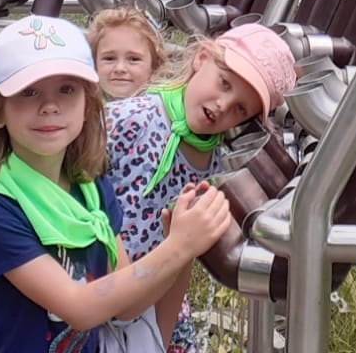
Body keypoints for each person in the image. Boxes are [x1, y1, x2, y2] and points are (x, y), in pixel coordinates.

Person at [0, 14, 231, 353]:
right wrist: (178, 246)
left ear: (88, 103)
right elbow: (80, 308)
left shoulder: (91, 189)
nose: (50, 106)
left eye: (67, 89)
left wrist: (181, 250)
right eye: (28, 91)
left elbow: (125, 308)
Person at [104, 24, 297, 352]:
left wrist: (159, 341)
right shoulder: (128, 119)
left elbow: (185, 259)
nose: (223, 105)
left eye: (241, 108)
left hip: (157, 306)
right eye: (224, 83)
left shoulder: (218, 169)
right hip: (98, 288)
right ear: (201, 58)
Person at [87, 8, 167, 101]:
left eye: (134, 59)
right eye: (109, 58)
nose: (119, 68)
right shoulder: (80, 105)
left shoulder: (166, 106)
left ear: (155, 65)